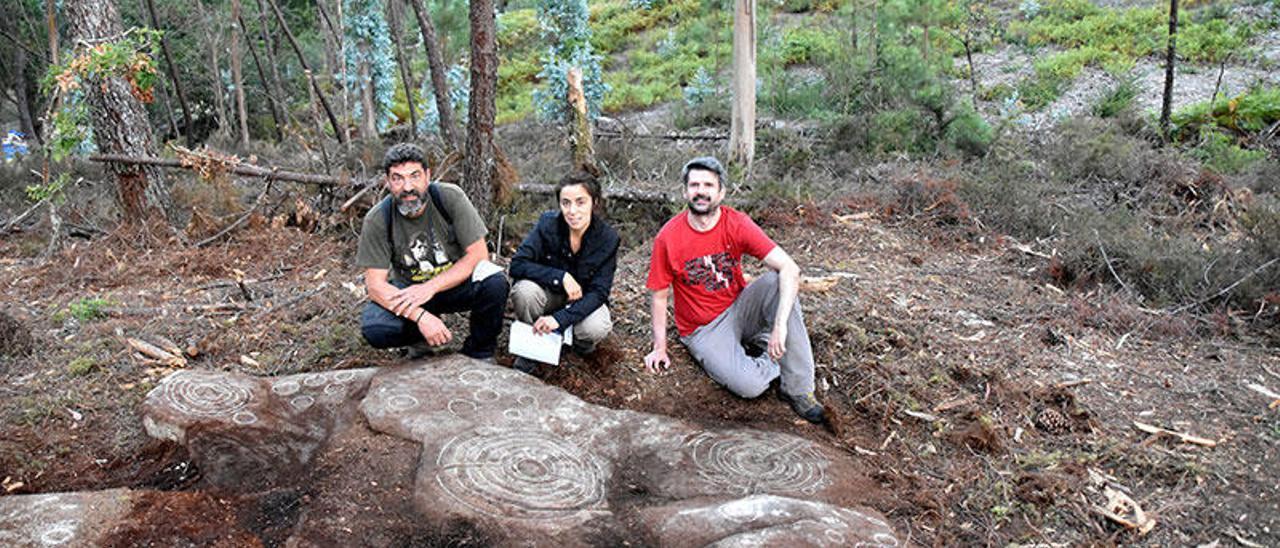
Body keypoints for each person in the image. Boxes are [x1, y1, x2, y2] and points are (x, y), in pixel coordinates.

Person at [643, 156, 825, 423]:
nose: (701, 191)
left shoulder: (736, 223)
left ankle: (797, 388)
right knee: (750, 386)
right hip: (704, 328)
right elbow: (659, 296)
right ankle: (773, 357)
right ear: (685, 191)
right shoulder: (668, 237)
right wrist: (660, 347)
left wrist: (780, 326)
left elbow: (790, 269)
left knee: (777, 280)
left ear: (721, 192)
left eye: (708, 185)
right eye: (694, 185)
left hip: (741, 306)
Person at [355, 143, 509, 361]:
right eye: (398, 178)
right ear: (388, 182)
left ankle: (479, 352)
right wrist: (420, 316)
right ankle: (418, 341)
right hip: (411, 292)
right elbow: (375, 286)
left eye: (414, 176)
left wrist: (430, 287)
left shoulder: (449, 197)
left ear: (427, 176)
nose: (407, 187)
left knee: (494, 282)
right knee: (376, 328)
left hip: (454, 284)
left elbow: (478, 255)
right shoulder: (378, 218)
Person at [508, 172, 620, 372]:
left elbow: (599, 292)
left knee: (596, 326)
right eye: (565, 203)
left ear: (594, 203)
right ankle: (530, 347)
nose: (572, 211)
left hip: (582, 301)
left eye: (580, 202)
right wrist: (560, 277)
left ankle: (578, 347)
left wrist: (560, 320)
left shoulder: (608, 238)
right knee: (524, 292)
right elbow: (517, 264)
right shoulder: (547, 224)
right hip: (549, 294)